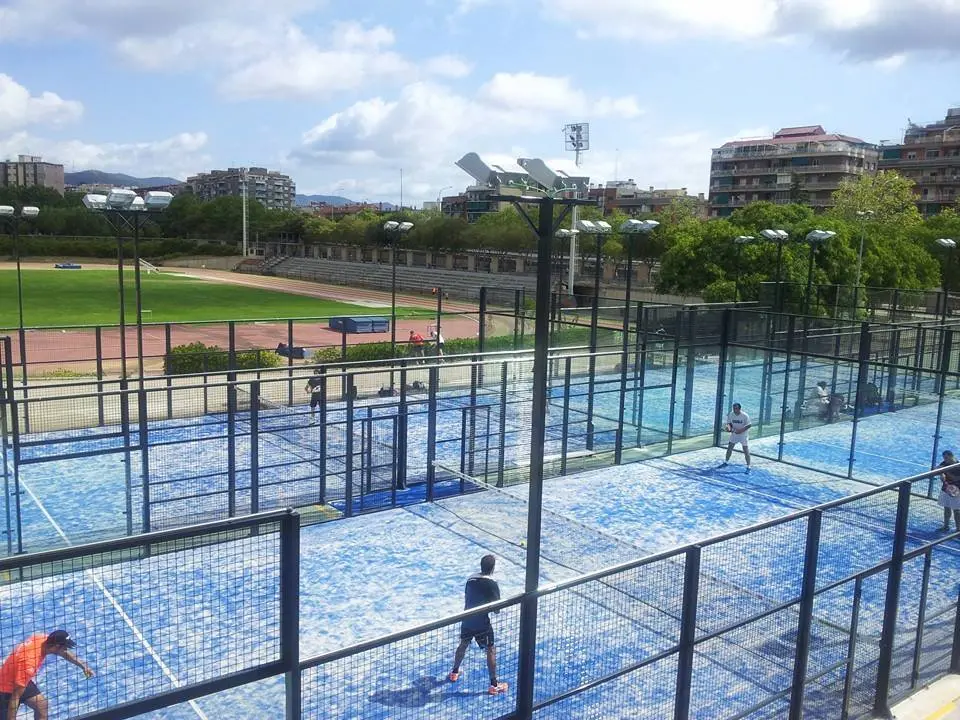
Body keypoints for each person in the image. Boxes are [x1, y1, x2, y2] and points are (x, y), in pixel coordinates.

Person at [448, 555, 508, 695]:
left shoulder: (471, 579)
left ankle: (454, 672)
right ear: (493, 568)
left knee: (463, 643)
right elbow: (496, 610)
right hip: (482, 623)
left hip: (467, 619)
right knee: (491, 649)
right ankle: (494, 685)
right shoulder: (492, 584)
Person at [0, 630, 94, 720]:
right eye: (64, 647)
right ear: (56, 646)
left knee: (41, 706)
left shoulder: (42, 638)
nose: (65, 649)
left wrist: (83, 666)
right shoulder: (29, 663)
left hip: (19, 677)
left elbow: (64, 653)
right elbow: (15, 697)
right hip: (5, 688)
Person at [720, 402, 752, 473]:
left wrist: (741, 430)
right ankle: (726, 462)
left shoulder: (745, 415)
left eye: (736, 408)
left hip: (743, 435)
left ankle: (748, 466)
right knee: (730, 447)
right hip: (734, 434)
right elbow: (729, 424)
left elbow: (749, 425)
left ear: (739, 409)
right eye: (733, 408)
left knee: (745, 450)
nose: (734, 410)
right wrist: (728, 428)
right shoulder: (731, 414)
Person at [939, 450, 960, 532]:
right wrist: (941, 474)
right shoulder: (944, 463)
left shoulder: (958, 466)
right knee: (946, 508)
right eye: (944, 458)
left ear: (951, 456)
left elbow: (956, 478)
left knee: (956, 511)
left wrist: (945, 471)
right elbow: (937, 469)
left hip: (956, 491)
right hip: (945, 489)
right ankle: (946, 526)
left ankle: (958, 529)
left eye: (946, 458)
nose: (945, 459)